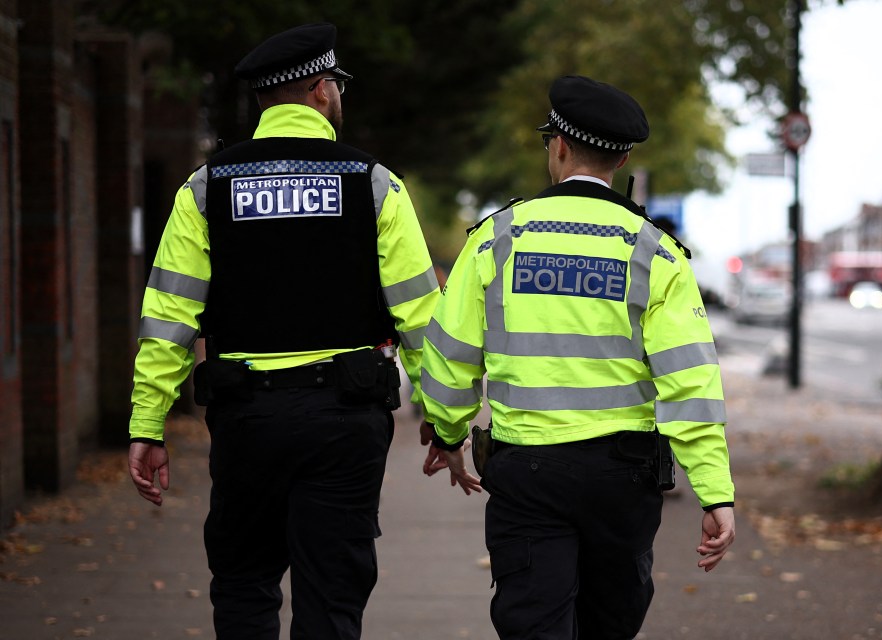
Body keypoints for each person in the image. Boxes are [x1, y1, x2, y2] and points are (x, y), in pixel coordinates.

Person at [127, 23, 439, 639]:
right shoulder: (374, 183)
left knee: (244, 586)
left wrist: (147, 424)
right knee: (332, 599)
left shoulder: (206, 188)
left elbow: (169, 319)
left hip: (247, 421)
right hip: (344, 422)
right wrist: (441, 418)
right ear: (323, 91)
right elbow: (419, 318)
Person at [420, 75, 735, 639]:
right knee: (609, 624)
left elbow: (450, 357)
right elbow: (690, 382)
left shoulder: (496, 238)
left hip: (528, 474)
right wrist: (714, 491)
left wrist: (447, 435)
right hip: (623, 479)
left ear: (558, 146)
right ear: (624, 157)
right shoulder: (654, 252)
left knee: (533, 624)